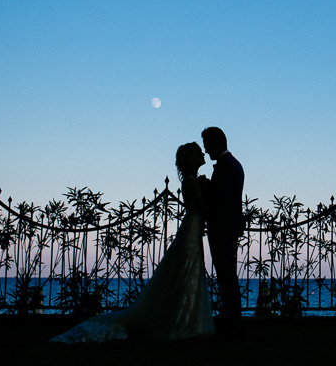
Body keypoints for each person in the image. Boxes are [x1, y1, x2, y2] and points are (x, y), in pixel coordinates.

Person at [51, 143, 214, 343]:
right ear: (192, 157)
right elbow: (202, 208)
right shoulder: (190, 182)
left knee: (185, 274)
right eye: (199, 151)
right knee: (185, 271)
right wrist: (208, 192)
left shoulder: (192, 181)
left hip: (193, 231)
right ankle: (180, 320)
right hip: (190, 232)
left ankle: (184, 317)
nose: (203, 153)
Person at [200, 126, 245, 327]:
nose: (207, 150)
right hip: (228, 227)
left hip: (222, 228)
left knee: (226, 275)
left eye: (208, 146)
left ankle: (232, 320)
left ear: (217, 143)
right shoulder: (233, 164)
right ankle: (232, 318)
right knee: (227, 274)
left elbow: (221, 197)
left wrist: (205, 187)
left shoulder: (225, 166)